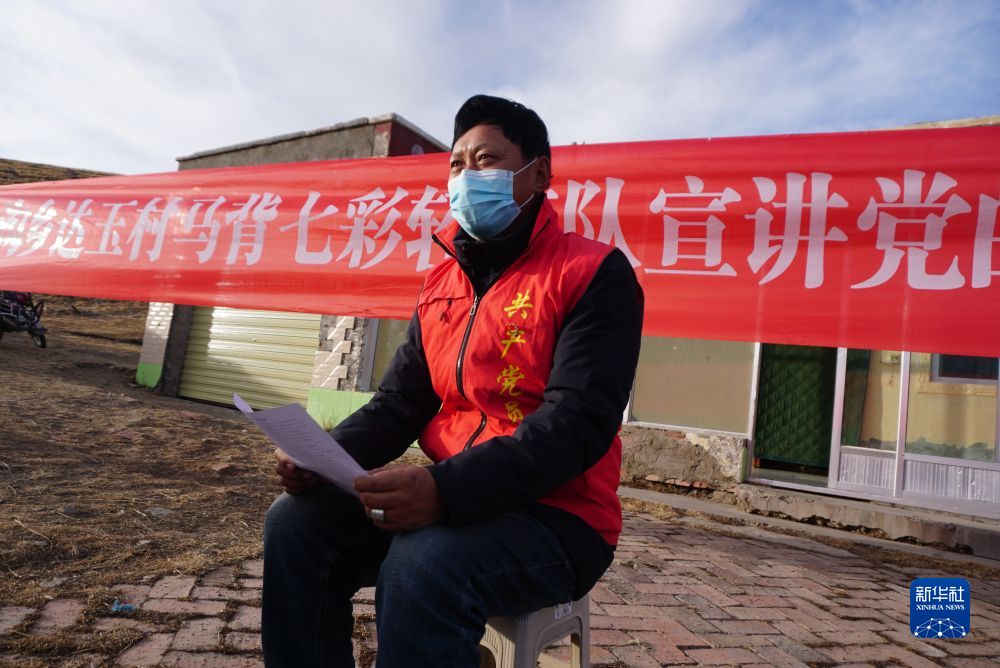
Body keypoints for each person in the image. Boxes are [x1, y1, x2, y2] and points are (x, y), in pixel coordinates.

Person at [262, 94, 644, 667]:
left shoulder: (593, 272)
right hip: (455, 497)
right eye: (457, 165)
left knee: (424, 563)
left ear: (539, 173)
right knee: (295, 524)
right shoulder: (442, 282)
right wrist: (325, 455)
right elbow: (401, 401)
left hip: (560, 518)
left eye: (486, 160)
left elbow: (577, 423)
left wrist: (444, 491)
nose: (467, 177)